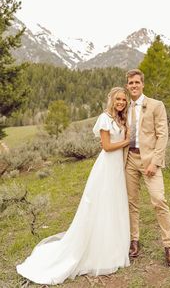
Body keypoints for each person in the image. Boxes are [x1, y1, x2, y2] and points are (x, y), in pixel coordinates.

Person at [16, 87, 131, 285]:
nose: (121, 102)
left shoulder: (121, 119)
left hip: (116, 168)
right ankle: (97, 249)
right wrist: (127, 141)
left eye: (124, 99)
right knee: (100, 204)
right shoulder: (104, 118)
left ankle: (114, 246)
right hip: (106, 166)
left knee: (114, 203)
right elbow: (106, 146)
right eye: (118, 99)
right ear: (111, 99)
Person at [124, 69, 170, 266]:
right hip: (129, 159)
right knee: (132, 203)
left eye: (137, 82)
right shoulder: (124, 107)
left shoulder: (156, 105)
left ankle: (169, 245)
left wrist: (155, 162)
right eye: (131, 83)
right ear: (127, 85)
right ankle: (134, 240)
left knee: (159, 200)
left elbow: (162, 135)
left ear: (142, 84)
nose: (134, 86)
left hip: (150, 160)